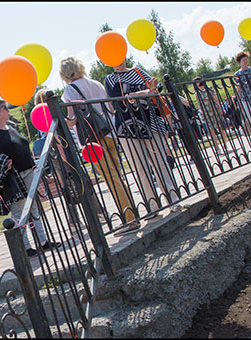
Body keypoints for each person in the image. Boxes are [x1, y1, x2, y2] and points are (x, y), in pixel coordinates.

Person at [57, 57, 136, 228]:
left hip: (91, 138)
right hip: (109, 132)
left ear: (64, 74)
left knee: (110, 177)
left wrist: (59, 118)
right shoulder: (96, 83)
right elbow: (110, 109)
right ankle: (132, 211)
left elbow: (71, 120)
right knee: (117, 175)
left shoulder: (70, 90)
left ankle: (129, 218)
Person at [102, 58, 184, 219]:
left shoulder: (138, 71)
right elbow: (120, 97)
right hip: (127, 127)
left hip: (151, 121)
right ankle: (152, 205)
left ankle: (173, 199)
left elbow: (157, 86)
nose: (117, 60)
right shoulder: (110, 79)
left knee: (160, 161)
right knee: (141, 167)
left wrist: (151, 89)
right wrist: (146, 92)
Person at [0, 99, 59, 256]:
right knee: (18, 211)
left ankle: (43, 242)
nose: (8, 110)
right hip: (12, 177)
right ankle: (25, 246)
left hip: (29, 171)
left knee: (34, 206)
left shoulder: (11, 128)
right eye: (5, 108)